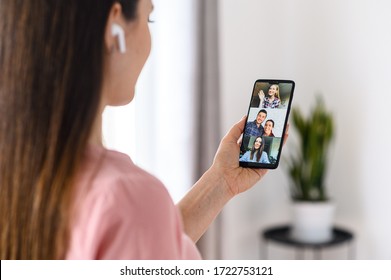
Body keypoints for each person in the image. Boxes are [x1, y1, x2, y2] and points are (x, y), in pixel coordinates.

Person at [0, 0, 285, 260]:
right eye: (149, 20)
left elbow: (144, 247)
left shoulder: (19, 171)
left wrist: (221, 182)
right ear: (115, 29)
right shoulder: (126, 198)